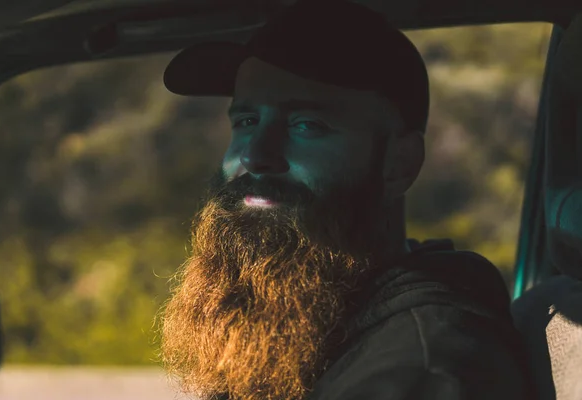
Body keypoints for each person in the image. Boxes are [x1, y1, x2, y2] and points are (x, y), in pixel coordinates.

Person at [159, 0, 534, 399]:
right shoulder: (319, 318)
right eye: (247, 121)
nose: (254, 156)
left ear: (398, 164)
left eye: (307, 125)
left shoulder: (417, 374)